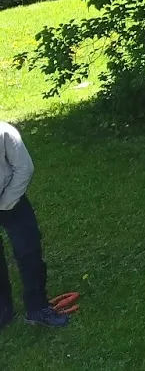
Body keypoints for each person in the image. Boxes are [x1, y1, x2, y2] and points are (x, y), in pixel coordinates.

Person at [1, 123, 68, 330]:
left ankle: (37, 308)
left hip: (12, 198)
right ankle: (3, 311)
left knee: (28, 252)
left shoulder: (5, 133)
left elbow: (24, 168)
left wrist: (5, 202)